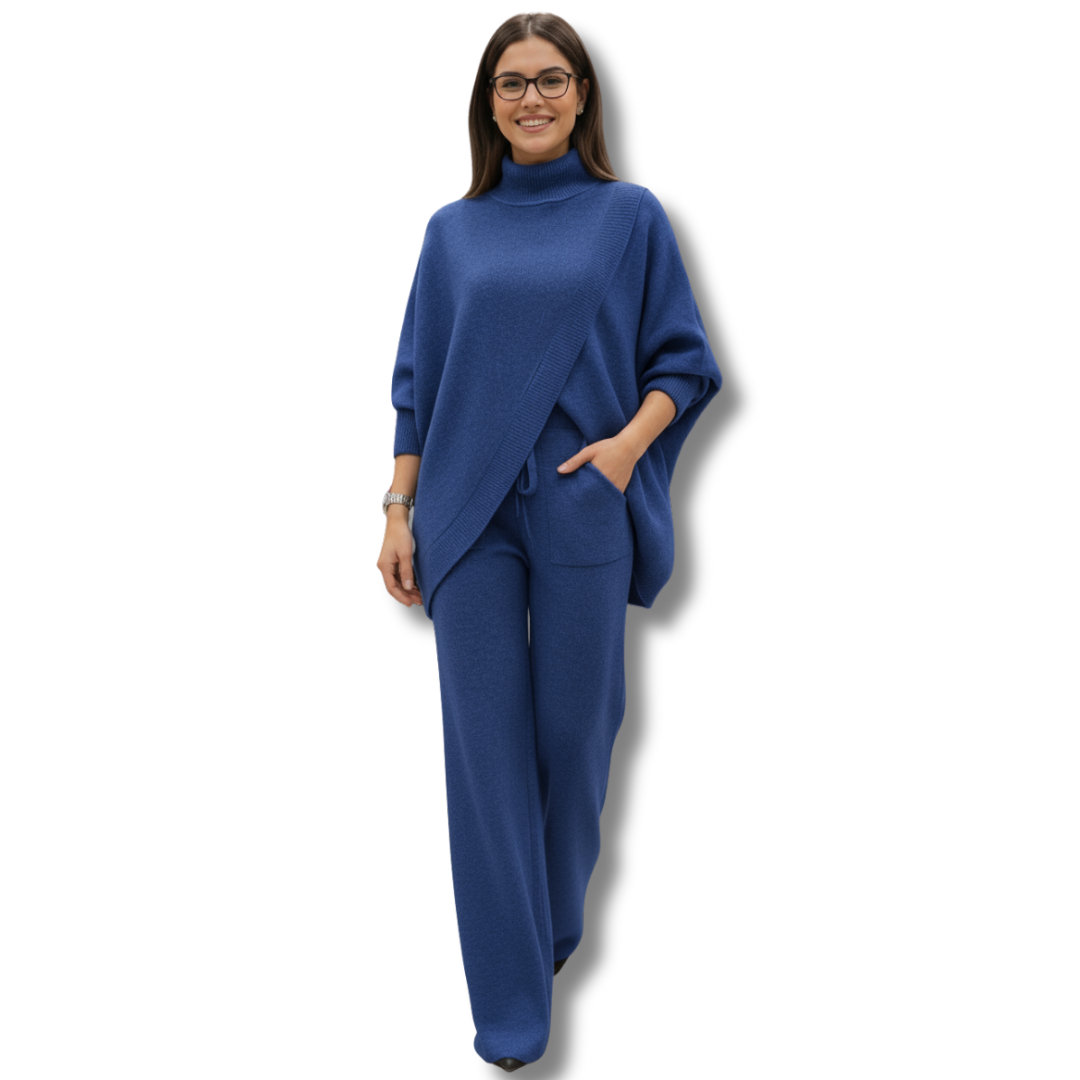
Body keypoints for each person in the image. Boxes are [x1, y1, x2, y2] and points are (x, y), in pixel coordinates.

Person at [378, 13, 723, 1072]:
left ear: (582, 96)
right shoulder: (453, 233)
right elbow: (416, 387)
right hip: (466, 512)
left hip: (582, 499)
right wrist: (396, 509)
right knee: (484, 759)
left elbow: (683, 364)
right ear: (488, 104)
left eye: (552, 79)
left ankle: (543, 929)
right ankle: (512, 1008)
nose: (532, 98)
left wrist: (623, 452)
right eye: (513, 82)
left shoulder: (630, 218)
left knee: (576, 741)